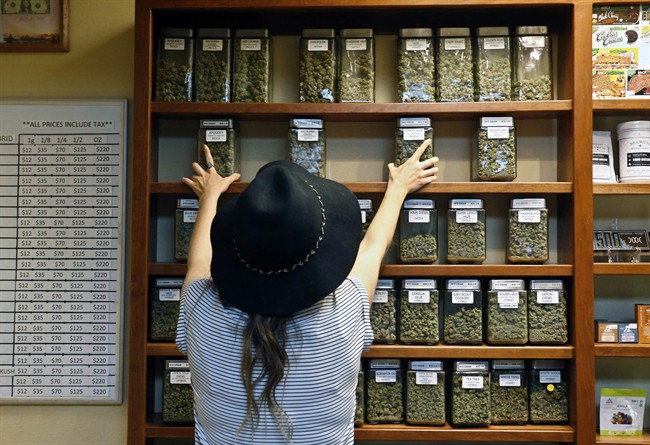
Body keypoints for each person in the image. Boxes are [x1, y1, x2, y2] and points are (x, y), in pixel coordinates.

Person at [178, 140, 438, 444]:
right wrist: (398, 188)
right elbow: (372, 247)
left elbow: (199, 259)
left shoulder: (199, 308)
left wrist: (209, 197)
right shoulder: (345, 309)